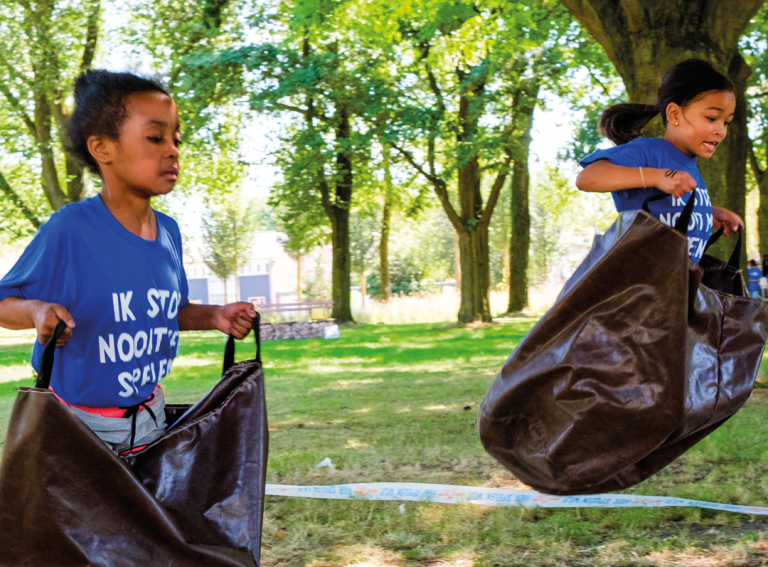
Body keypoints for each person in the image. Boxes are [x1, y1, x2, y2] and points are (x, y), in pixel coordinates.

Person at [0, 70, 255, 453]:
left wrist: (214, 316)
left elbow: (166, 311)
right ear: (103, 148)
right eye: (155, 138)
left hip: (150, 420)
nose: (172, 150)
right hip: (77, 430)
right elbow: (4, 304)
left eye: (176, 139)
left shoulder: (168, 232)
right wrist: (37, 312)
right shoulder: (70, 229)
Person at [576, 59, 743, 264]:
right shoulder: (649, 152)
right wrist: (656, 176)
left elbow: (667, 209)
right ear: (674, 114)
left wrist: (707, 212)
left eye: (726, 122)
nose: (721, 130)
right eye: (711, 118)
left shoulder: (690, 166)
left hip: (677, 289)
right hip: (641, 289)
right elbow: (587, 178)